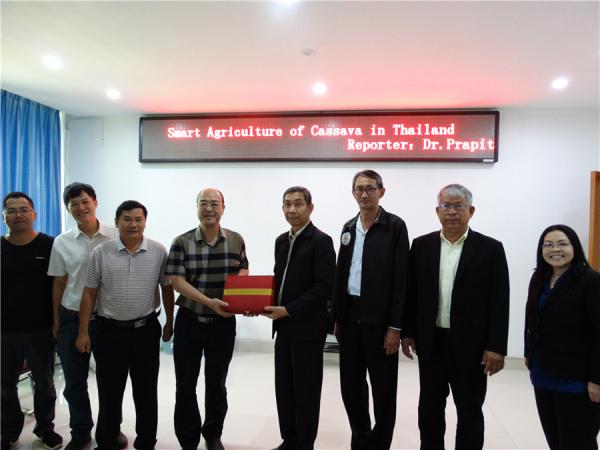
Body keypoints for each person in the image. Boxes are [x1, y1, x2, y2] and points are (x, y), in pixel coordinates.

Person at [401, 183, 510, 450]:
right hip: (431, 343)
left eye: (458, 206)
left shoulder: (491, 249)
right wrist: (408, 332)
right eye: (446, 206)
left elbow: (500, 302)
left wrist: (496, 347)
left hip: (471, 347)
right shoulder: (421, 245)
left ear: (471, 211)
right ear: (437, 211)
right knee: (429, 408)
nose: (451, 212)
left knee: (470, 410)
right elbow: (412, 293)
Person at [75, 200, 174, 450]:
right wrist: (83, 331)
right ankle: (107, 440)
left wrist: (169, 322)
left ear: (145, 222)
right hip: (109, 331)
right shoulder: (101, 252)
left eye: (138, 219)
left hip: (145, 330)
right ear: (117, 222)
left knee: (146, 391)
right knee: (109, 391)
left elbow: (167, 288)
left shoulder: (158, 251)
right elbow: (89, 293)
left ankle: (146, 441)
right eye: (127, 219)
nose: (133, 224)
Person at [332, 170, 409, 450]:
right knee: (351, 387)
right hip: (350, 317)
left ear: (381, 192)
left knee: (383, 390)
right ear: (353, 192)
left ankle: (380, 444)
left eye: (370, 188)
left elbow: (402, 280)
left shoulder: (395, 227)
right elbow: (341, 274)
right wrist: (337, 317)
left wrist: (395, 327)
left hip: (381, 321)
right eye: (359, 189)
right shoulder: (348, 227)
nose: (364, 194)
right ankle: (361, 441)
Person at [166, 188, 249, 450]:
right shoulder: (181, 241)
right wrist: (208, 302)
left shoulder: (236, 239)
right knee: (185, 384)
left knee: (217, 384)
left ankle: (213, 434)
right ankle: (188, 439)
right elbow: (176, 281)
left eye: (215, 203)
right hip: (189, 321)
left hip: (222, 325)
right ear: (197, 207)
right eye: (204, 203)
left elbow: (243, 268)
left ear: (223, 207)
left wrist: (239, 295)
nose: (209, 208)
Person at [48, 182, 127, 450]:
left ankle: (110, 431)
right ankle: (81, 431)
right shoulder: (62, 242)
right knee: (74, 382)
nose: (81, 207)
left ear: (95, 202)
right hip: (72, 319)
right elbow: (59, 282)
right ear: (68, 208)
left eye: (85, 201)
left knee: (110, 381)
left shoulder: (117, 235)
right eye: (74, 204)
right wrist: (56, 321)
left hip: (108, 320)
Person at [264, 186, 336, 450]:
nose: (292, 209)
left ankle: (304, 444)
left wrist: (289, 310)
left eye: (298, 204)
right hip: (283, 328)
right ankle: (289, 440)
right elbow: (278, 280)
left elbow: (323, 287)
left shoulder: (321, 241)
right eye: (287, 204)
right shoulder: (281, 241)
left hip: (307, 329)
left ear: (310, 208)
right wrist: (261, 303)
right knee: (284, 389)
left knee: (306, 391)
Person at [524, 224, 600, 450]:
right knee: (556, 441)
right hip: (543, 375)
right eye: (548, 245)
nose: (555, 249)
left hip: (577, 381)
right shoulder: (539, 278)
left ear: (574, 247)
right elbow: (531, 318)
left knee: (578, 443)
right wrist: (529, 352)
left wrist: (597, 379)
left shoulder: (591, 281)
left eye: (562, 244)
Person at [1, 192, 63, 450]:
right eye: (11, 210)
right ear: (4, 217)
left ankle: (45, 429)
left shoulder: (50, 245)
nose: (18, 215)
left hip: (41, 329)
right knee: (5, 387)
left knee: (44, 384)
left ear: (34, 214)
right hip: (4, 331)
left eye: (23, 209)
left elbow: (58, 286)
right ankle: (9, 432)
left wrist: (57, 323)